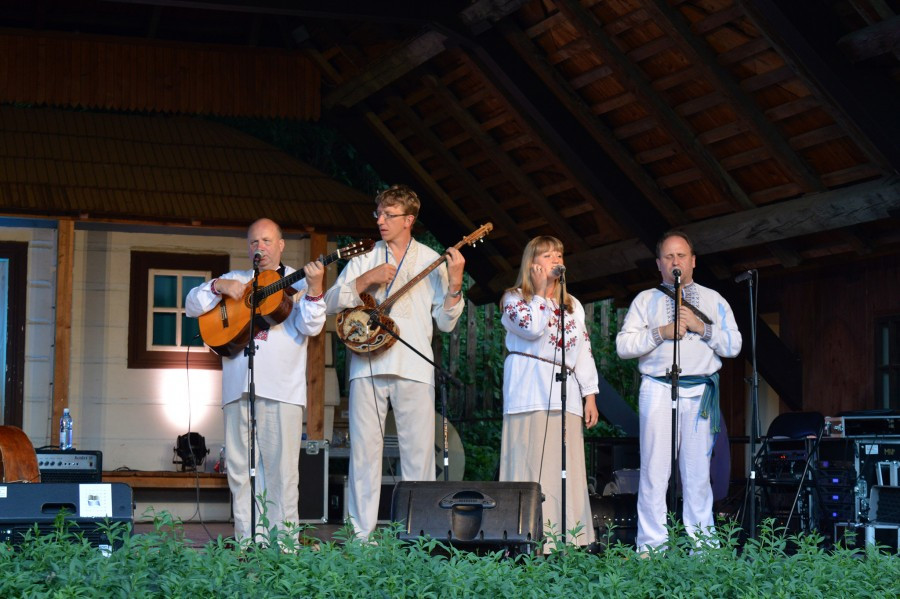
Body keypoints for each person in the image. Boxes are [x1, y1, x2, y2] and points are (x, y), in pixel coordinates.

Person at [324, 184, 466, 540]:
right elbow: (330, 303)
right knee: (364, 454)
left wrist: (456, 283)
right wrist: (367, 279)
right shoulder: (365, 258)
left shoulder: (431, 260)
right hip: (367, 365)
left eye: (389, 215)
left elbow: (446, 323)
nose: (381, 221)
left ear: (410, 220)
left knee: (418, 456)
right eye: (379, 214)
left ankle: (419, 534)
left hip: (415, 367)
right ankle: (361, 537)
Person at [185, 218, 326, 542]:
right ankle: (247, 540)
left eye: (265, 241)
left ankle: (284, 544)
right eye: (253, 242)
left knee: (282, 471)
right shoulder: (237, 279)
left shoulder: (299, 282)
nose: (258, 247)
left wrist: (316, 289)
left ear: (280, 245)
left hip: (282, 389)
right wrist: (218, 286)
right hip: (238, 387)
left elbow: (312, 327)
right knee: (238, 469)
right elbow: (193, 305)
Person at [616, 230, 742, 553]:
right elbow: (623, 345)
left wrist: (704, 328)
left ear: (693, 261)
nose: (676, 262)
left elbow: (734, 344)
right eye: (669, 257)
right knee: (655, 473)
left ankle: (703, 549)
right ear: (659, 264)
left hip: (700, 392)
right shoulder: (645, 301)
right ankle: (651, 548)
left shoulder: (714, 300)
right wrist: (660, 333)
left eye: (681, 256)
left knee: (698, 475)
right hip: (658, 389)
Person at [499, 236, 600, 551]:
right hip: (528, 392)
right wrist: (542, 292)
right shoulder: (514, 299)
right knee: (528, 465)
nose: (557, 259)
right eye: (548, 254)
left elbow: (582, 349)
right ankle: (522, 538)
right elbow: (531, 328)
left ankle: (566, 539)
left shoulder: (573, 305)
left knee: (564, 467)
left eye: (559, 253)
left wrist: (590, 394)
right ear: (533, 264)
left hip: (565, 393)